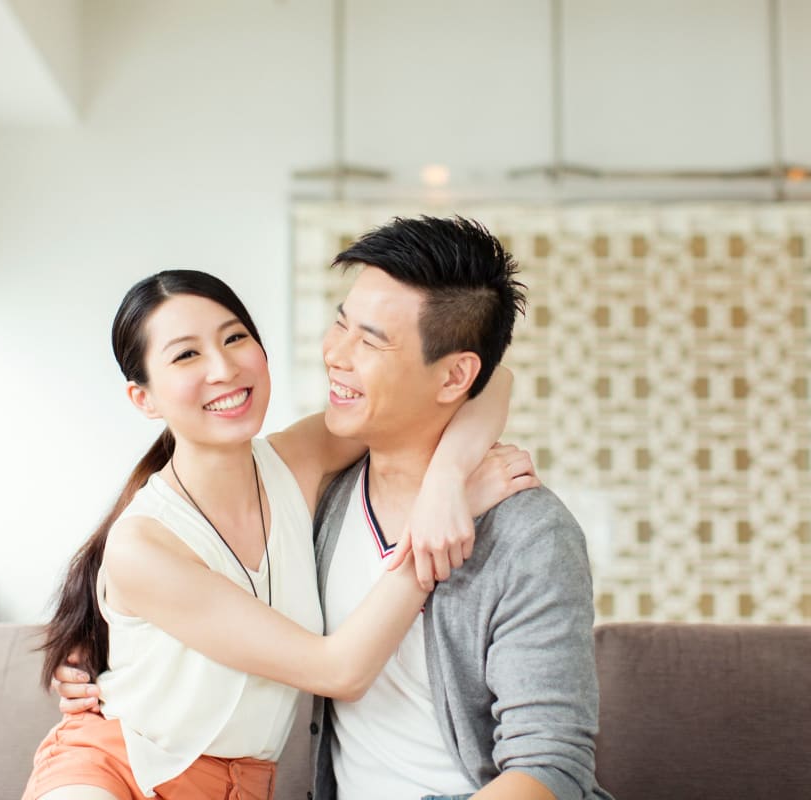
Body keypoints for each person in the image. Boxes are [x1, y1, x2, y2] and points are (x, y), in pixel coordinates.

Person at [59, 217, 614, 800]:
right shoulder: (321, 490)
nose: (335, 356)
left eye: (371, 340)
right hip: (119, 771)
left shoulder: (524, 531)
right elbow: (335, 669)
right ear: (142, 396)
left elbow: (551, 768)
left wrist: (447, 483)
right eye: (340, 325)